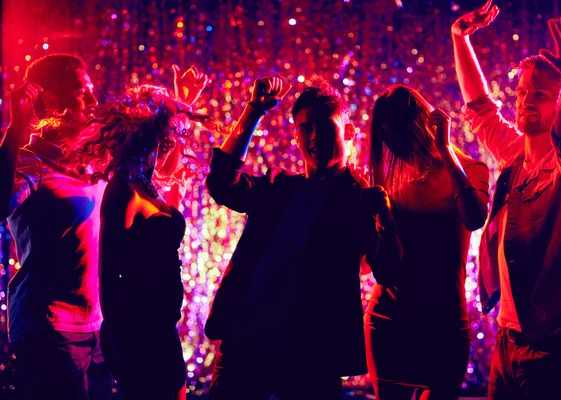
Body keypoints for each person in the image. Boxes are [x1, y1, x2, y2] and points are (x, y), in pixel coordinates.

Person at [0, 52, 206, 399]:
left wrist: (181, 104)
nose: (95, 100)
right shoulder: (31, 161)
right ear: (51, 100)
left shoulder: (96, 159)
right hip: (50, 328)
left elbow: (155, 171)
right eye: (82, 91)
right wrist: (16, 126)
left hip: (98, 326)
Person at [206, 78, 402, 400]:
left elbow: (389, 273)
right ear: (296, 136)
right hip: (247, 341)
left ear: (348, 133)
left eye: (325, 127)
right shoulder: (279, 187)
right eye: (305, 128)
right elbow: (221, 183)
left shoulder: (361, 201)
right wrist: (254, 111)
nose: (315, 137)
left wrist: (386, 221)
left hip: (312, 354)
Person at [453, 2, 561, 398]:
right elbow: (480, 107)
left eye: (540, 94)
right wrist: (460, 37)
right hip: (508, 341)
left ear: (559, 100)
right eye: (521, 91)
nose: (524, 99)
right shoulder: (515, 156)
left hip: (555, 347)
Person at [74, 84, 209, 399]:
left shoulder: (148, 187)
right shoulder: (123, 189)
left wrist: (183, 102)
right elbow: (107, 275)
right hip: (136, 332)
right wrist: (118, 347)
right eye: (173, 134)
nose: (179, 141)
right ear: (159, 137)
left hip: (161, 327)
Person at [364, 85, 489, 400]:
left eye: (400, 138)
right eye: (389, 142)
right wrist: (385, 223)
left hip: (445, 323)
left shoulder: (470, 169)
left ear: (419, 125)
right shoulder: (387, 182)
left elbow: (474, 217)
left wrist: (445, 148)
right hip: (389, 320)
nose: (396, 150)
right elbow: (380, 270)